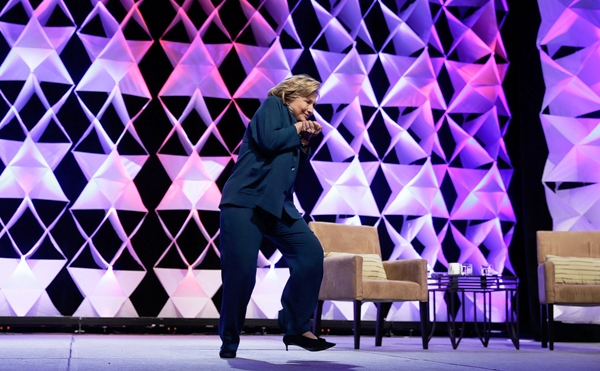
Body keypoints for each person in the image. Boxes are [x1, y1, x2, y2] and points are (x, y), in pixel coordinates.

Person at [217, 74, 335, 358]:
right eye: (307, 101)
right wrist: (297, 129)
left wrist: (305, 140)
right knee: (241, 275)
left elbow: (295, 169)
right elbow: (269, 141)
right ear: (291, 94)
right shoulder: (272, 106)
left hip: (278, 206)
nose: (310, 109)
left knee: (310, 254)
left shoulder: (294, 128)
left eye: (313, 104)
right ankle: (230, 340)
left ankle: (295, 326)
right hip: (246, 202)